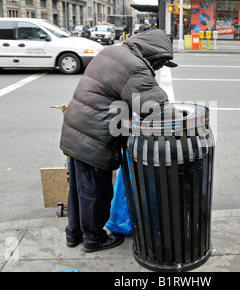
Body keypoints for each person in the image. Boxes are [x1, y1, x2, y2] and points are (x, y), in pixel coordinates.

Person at [59, 29, 178, 253]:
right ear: (154, 54)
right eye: (161, 63)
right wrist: (182, 120)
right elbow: (156, 108)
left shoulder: (111, 51)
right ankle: (94, 239)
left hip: (76, 127)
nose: (159, 68)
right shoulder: (135, 67)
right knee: (95, 192)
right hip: (93, 136)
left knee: (78, 188)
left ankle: (74, 234)